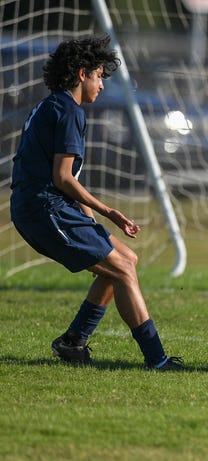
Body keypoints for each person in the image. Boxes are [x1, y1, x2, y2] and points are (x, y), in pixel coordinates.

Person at [10, 35, 183, 371]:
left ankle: (72, 342)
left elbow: (65, 181)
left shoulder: (53, 104)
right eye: (99, 75)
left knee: (125, 259)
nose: (102, 85)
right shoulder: (69, 111)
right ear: (81, 74)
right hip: (43, 210)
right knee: (121, 269)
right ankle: (157, 360)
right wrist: (110, 213)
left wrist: (93, 223)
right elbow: (63, 178)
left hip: (47, 207)